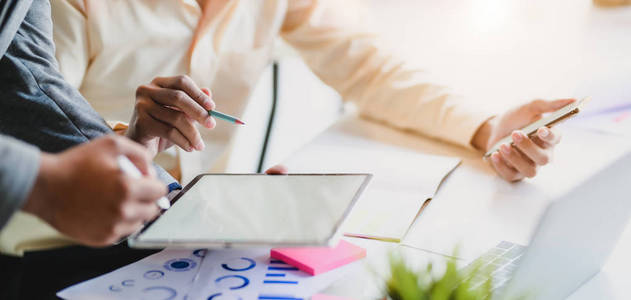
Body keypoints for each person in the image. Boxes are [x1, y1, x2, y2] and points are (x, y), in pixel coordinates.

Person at [51, 0, 572, 184]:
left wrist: (485, 127)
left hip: (193, 234)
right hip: (60, 244)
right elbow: (29, 134)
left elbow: (367, 66)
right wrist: (131, 143)